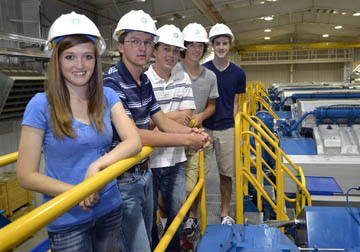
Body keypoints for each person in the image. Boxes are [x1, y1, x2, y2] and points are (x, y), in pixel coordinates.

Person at [16, 12, 142, 252]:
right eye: (70, 57)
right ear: (57, 60)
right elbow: (25, 175)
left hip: (109, 207)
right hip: (67, 218)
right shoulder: (40, 105)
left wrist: (95, 169)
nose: (80, 65)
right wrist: (78, 192)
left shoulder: (107, 97)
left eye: (87, 56)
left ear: (96, 60)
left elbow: (134, 141)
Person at [103, 10, 210, 252]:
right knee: (138, 245)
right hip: (122, 177)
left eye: (147, 42)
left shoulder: (143, 81)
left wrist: (192, 135)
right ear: (120, 46)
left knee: (152, 237)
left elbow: (160, 119)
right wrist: (185, 138)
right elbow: (134, 135)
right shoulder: (111, 82)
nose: (142, 48)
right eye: (134, 41)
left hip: (143, 170)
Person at [144, 24, 193, 251]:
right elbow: (142, 123)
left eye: (175, 50)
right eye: (166, 48)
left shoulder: (183, 79)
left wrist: (160, 119)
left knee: (177, 215)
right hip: (147, 163)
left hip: (175, 160)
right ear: (155, 50)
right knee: (147, 219)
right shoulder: (143, 81)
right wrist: (168, 118)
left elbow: (187, 118)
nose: (171, 55)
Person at [203, 23, 246, 225]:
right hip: (204, 128)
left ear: (230, 45)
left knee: (226, 175)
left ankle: (225, 213)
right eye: (217, 43)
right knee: (198, 176)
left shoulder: (238, 74)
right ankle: (194, 216)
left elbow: (236, 103)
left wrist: (236, 134)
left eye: (225, 43)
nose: (221, 47)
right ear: (212, 45)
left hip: (227, 128)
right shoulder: (203, 71)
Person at [178, 23, 219, 238]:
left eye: (199, 45)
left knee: (196, 181)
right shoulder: (174, 71)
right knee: (173, 182)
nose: (196, 49)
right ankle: (173, 217)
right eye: (191, 45)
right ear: (184, 47)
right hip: (173, 137)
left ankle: (192, 217)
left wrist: (199, 117)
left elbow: (212, 105)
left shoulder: (210, 76)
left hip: (198, 135)